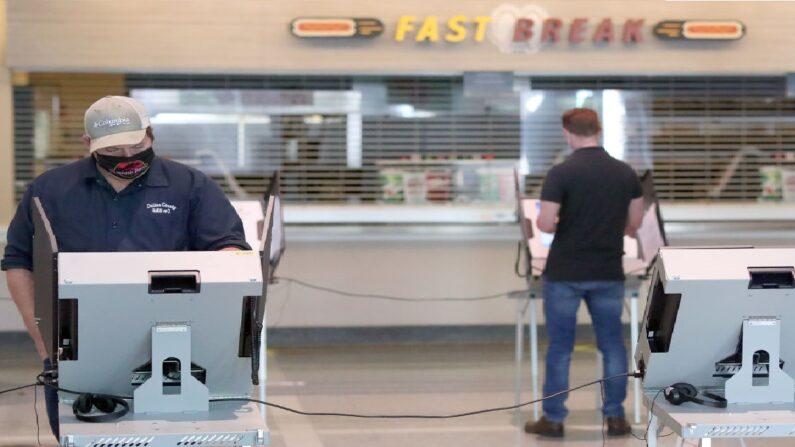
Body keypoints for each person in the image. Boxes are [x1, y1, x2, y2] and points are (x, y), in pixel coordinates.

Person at [1, 95, 250, 439]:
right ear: (89, 144)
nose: (128, 158)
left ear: (151, 134)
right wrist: (44, 345)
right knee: (82, 438)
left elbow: (230, 253)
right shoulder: (51, 191)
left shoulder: (189, 186)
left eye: (136, 146)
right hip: (78, 351)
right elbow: (19, 264)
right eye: (114, 152)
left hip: (173, 349)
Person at [524, 108, 644, 438]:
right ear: (599, 131)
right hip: (608, 271)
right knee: (612, 345)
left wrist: (563, 222)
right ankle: (616, 417)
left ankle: (554, 418)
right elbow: (635, 224)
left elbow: (546, 223)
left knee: (561, 347)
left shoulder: (561, 173)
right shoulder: (625, 173)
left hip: (565, 272)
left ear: (568, 132)